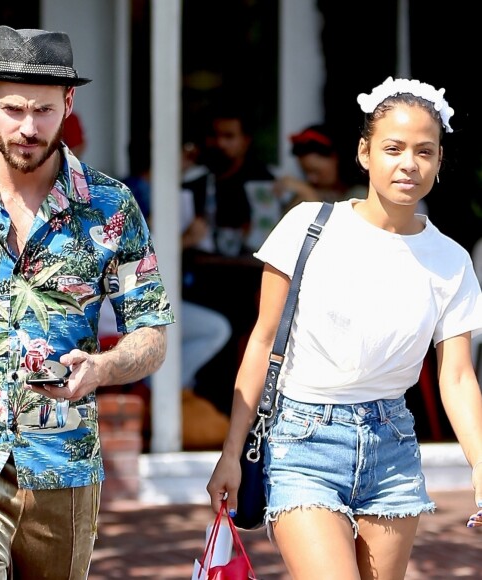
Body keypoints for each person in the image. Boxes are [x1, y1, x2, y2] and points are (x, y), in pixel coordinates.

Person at [0, 25, 174, 578]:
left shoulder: (110, 205)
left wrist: (101, 367)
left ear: (68, 103)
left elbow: (152, 333)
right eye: (14, 109)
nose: (28, 128)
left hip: (65, 467)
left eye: (45, 111)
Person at [207, 76, 482, 579]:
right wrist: (231, 452)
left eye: (425, 151)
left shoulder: (451, 260)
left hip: (393, 444)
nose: (409, 164)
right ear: (364, 152)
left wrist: (481, 465)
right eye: (393, 148)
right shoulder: (309, 225)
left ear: (440, 161)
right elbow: (261, 341)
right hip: (302, 440)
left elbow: (458, 376)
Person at [120, 136, 233, 449]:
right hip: (129, 305)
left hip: (161, 298)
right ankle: (165, 392)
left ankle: (168, 389)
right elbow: (138, 256)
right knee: (211, 329)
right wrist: (185, 239)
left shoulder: (164, 189)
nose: (191, 157)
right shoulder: (129, 192)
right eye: (185, 149)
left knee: (212, 327)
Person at [184, 104, 276, 257]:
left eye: (229, 136)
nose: (220, 143)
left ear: (246, 140)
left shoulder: (262, 183)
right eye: (214, 136)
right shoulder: (193, 182)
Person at [273, 123, 367, 208]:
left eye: (316, 171)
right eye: (306, 172)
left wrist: (309, 194)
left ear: (335, 159)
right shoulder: (313, 191)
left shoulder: (361, 196)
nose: (311, 178)